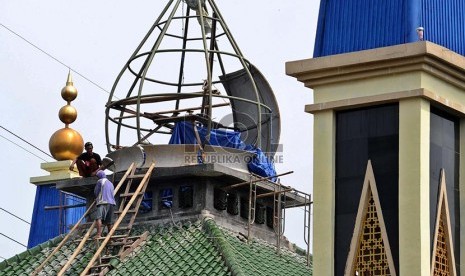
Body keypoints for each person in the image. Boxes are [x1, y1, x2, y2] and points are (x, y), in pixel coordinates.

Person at [94, 170, 116, 239]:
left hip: (103, 202)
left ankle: (98, 234)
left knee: (98, 218)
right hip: (111, 203)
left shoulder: (100, 181)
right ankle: (110, 237)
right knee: (109, 222)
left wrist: (96, 199)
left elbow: (96, 192)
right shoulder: (111, 183)